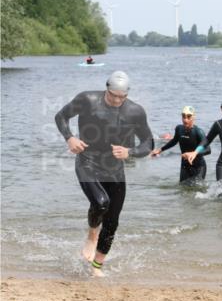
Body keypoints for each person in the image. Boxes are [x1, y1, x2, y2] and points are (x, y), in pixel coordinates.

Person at [54, 71, 154, 277]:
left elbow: (148, 143)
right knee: (100, 202)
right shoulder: (87, 99)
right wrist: (70, 138)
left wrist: (130, 152)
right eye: (112, 95)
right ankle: (92, 235)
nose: (117, 100)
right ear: (106, 88)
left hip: (114, 168)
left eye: (121, 97)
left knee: (113, 221)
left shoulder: (135, 111)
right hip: (87, 161)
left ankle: (96, 267)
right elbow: (61, 116)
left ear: (127, 94)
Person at [150, 106, 211, 183]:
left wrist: (193, 153)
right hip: (185, 166)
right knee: (183, 190)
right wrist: (160, 150)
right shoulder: (179, 129)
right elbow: (174, 141)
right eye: (183, 117)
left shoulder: (198, 132)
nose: (185, 120)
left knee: (197, 190)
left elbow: (208, 150)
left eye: (189, 117)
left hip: (199, 166)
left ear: (193, 117)